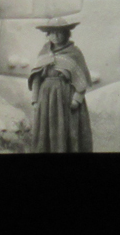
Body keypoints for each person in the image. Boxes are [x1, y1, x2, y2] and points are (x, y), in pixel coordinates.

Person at [28, 18, 94, 153]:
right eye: (52, 33)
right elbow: (36, 78)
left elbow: (82, 79)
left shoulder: (74, 52)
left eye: (60, 32)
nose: (56, 36)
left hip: (66, 97)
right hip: (46, 98)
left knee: (68, 129)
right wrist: (35, 99)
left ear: (67, 34)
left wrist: (76, 99)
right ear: (48, 35)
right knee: (46, 130)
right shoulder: (44, 52)